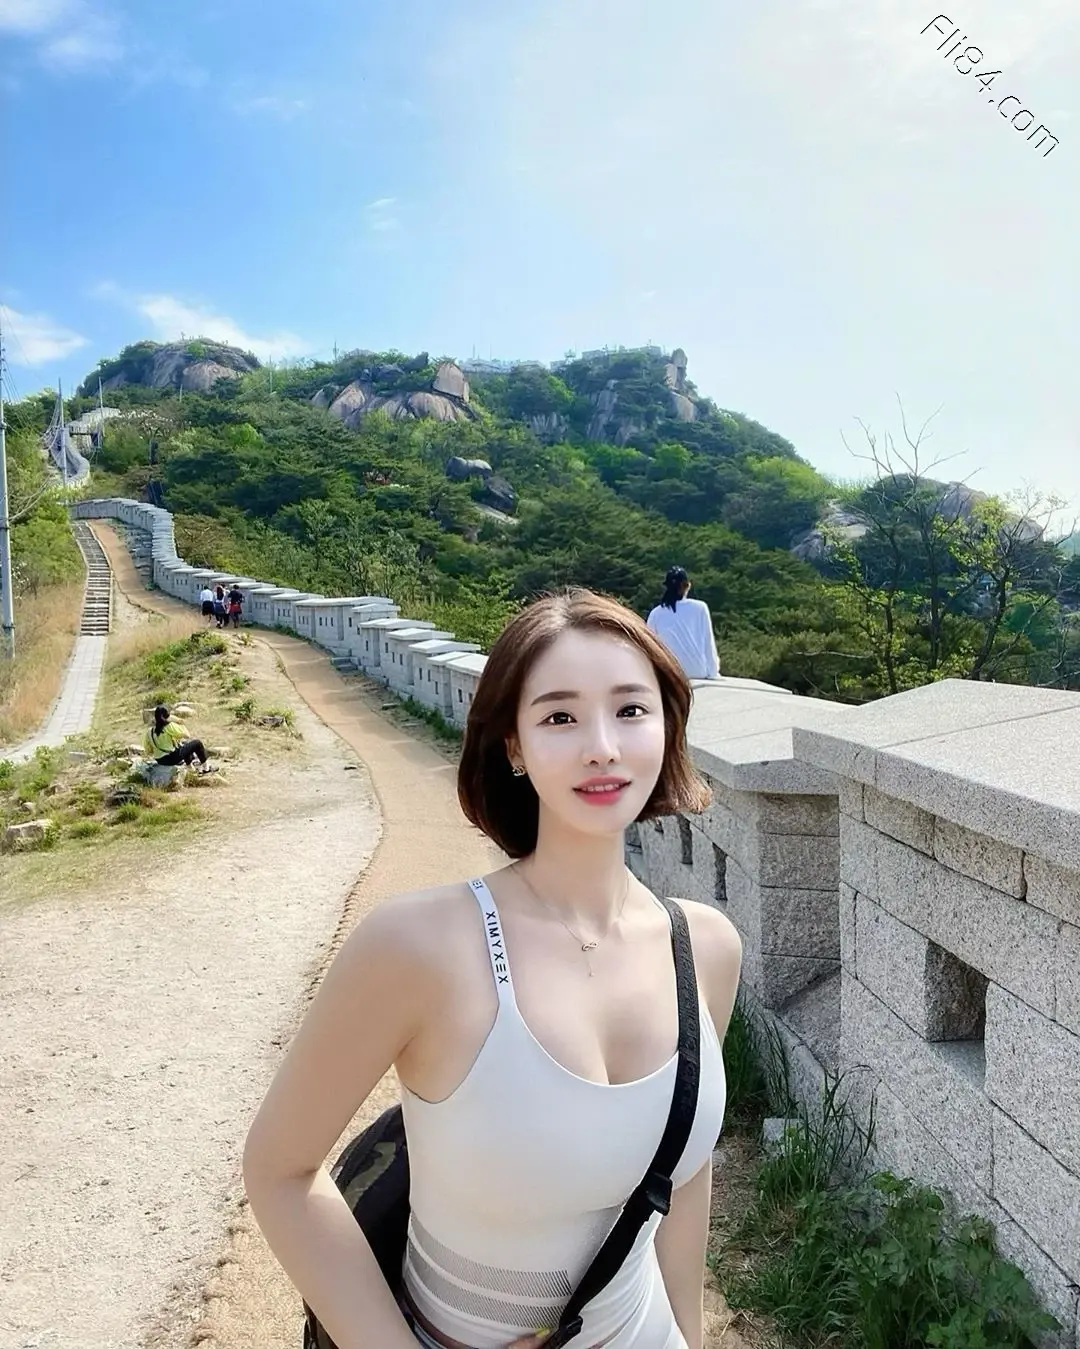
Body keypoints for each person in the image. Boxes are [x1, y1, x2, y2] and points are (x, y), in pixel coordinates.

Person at [242, 588, 742, 1349]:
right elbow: (280, 1170)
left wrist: (692, 1336)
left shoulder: (706, 948)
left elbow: (683, 1173)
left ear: (668, 724)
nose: (602, 746)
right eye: (560, 717)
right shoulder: (420, 946)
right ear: (513, 745)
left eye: (631, 710)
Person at [645, 567, 720, 682]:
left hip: (669, 672)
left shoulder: (656, 613)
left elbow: (649, 647)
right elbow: (708, 642)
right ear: (687, 585)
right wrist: (713, 672)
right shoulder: (700, 607)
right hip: (697, 671)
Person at [144, 704, 213, 772]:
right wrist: (179, 721)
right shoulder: (169, 727)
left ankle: (190, 768)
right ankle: (206, 768)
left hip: (160, 760)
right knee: (197, 743)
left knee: (185, 745)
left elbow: (148, 751)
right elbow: (187, 735)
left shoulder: (150, 731)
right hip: (171, 759)